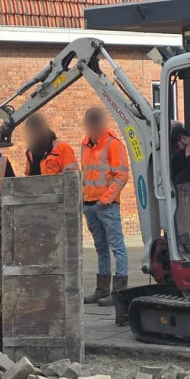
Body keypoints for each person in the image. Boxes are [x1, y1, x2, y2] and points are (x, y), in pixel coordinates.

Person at [81, 108, 129, 306]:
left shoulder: (113, 144)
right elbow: (85, 174)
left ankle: (119, 293)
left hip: (106, 206)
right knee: (101, 248)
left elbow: (122, 175)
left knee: (117, 247)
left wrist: (106, 199)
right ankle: (102, 291)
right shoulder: (85, 145)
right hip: (90, 205)